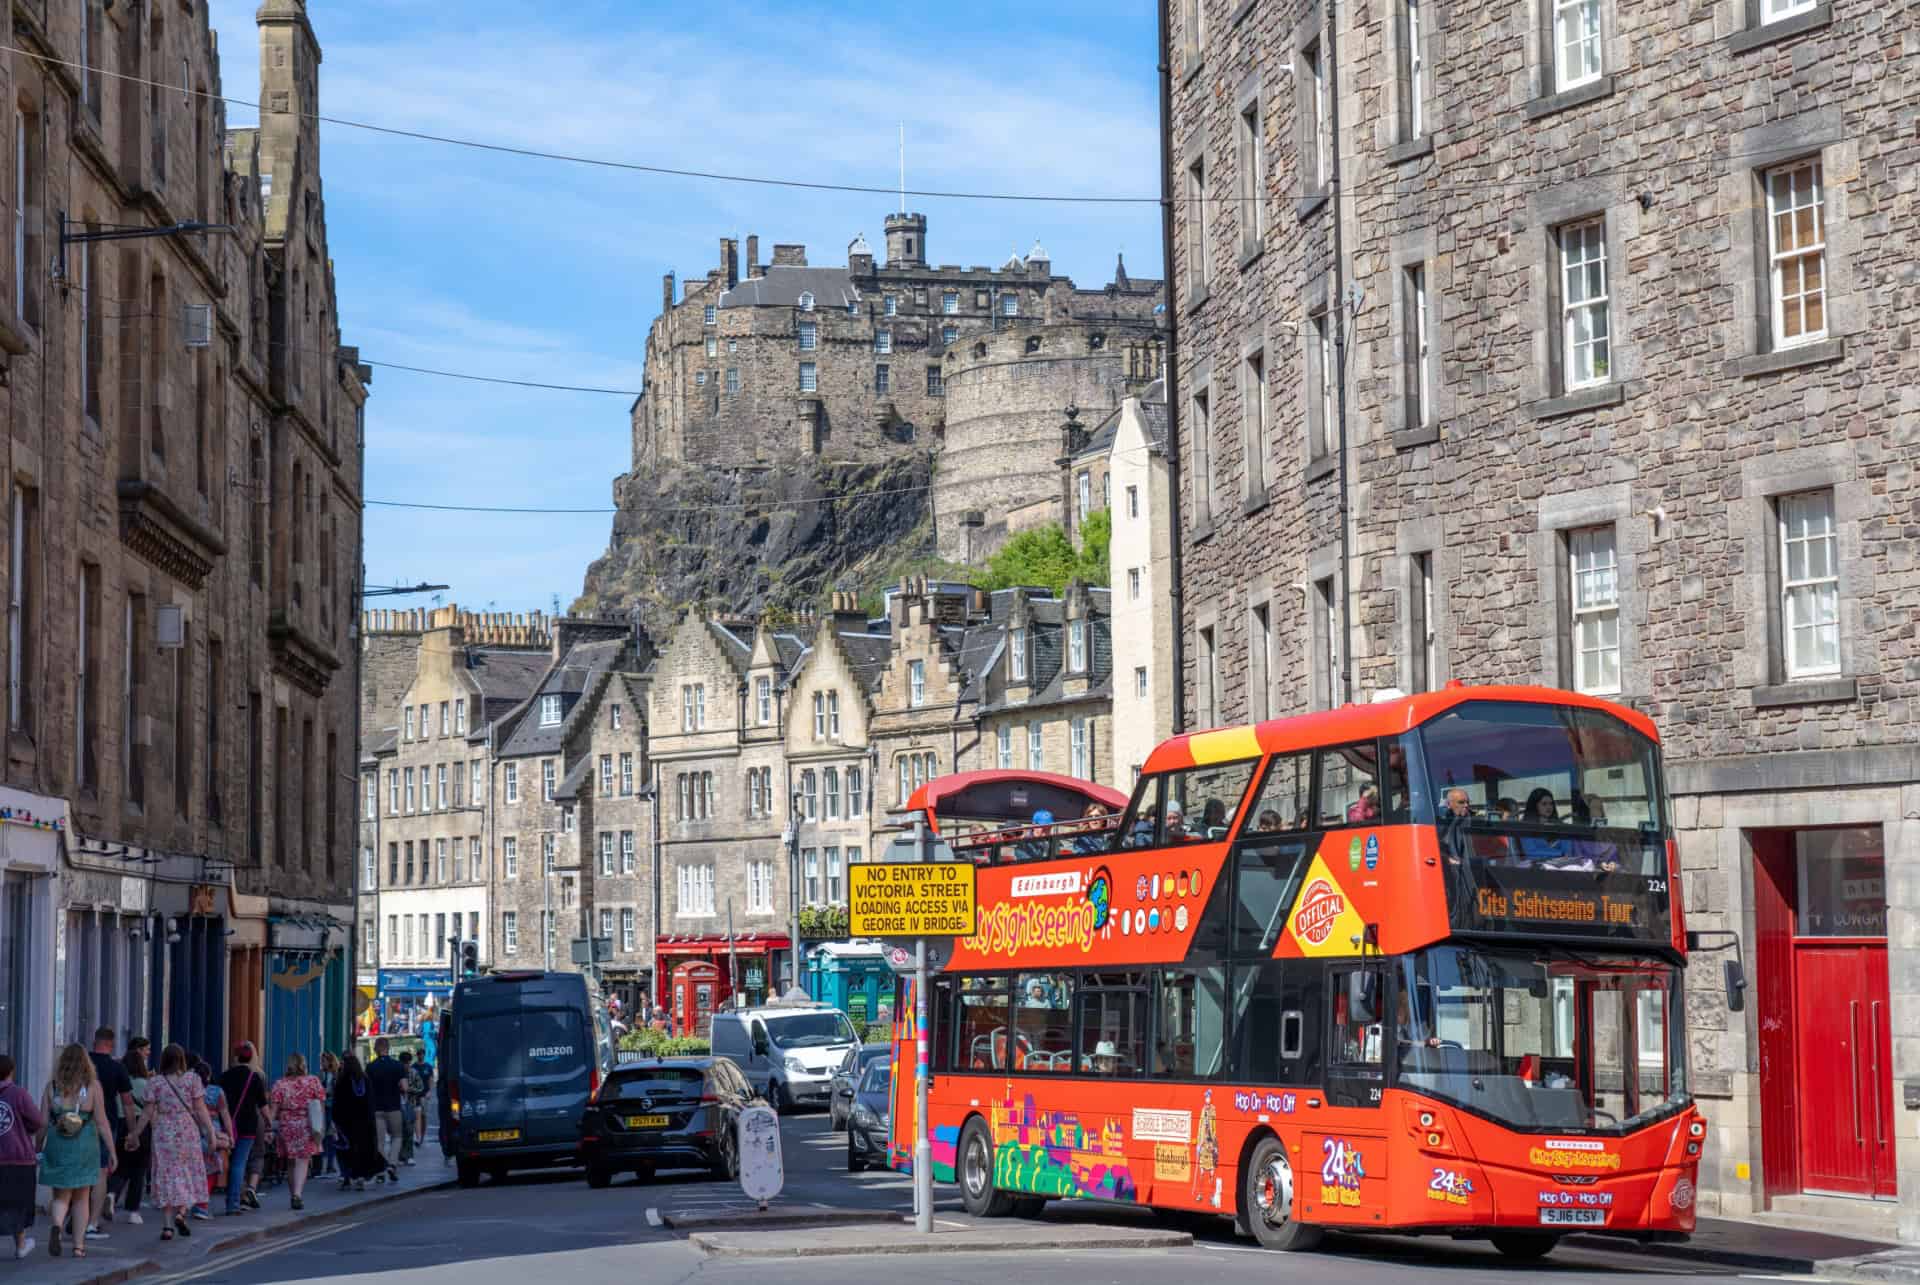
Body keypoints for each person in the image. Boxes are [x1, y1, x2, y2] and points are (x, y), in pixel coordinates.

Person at [127, 1044, 216, 1242]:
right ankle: (181, 1213)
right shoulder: (193, 1079)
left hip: (164, 1132)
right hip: (187, 1131)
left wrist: (135, 1133)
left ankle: (167, 1227)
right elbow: (201, 1109)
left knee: (168, 1176)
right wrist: (211, 1132)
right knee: (188, 1173)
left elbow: (148, 1112)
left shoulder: (156, 1082)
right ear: (182, 1059)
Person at [39, 1042, 116, 1258]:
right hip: (84, 1143)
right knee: (82, 1197)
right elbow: (102, 1122)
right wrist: (112, 1151)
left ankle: (56, 1226)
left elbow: (43, 1122)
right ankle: (79, 1246)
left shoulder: (52, 1087)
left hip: (57, 1142)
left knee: (60, 1194)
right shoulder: (93, 1086)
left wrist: (37, 1145)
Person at [87, 1026, 134, 1237]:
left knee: (77, 1171)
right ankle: (91, 1223)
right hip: (106, 1123)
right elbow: (128, 1103)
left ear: (94, 1041)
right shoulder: (117, 1068)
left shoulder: (82, 1064)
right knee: (100, 1172)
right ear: (111, 1044)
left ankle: (72, 1216)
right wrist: (132, 1131)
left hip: (78, 1124)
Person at [0, 1053, 45, 1260]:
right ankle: (20, 1244)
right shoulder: (19, 1094)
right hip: (19, 1158)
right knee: (19, 1204)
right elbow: (37, 1121)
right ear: (12, 1071)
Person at [267, 1054, 326, 1210]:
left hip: (286, 1125)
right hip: (306, 1124)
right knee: (303, 1160)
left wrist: (268, 1128)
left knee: (291, 1161)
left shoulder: (280, 1084)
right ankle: (297, 1195)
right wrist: (321, 1127)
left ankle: (294, 1193)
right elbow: (320, 1106)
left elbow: (273, 1110)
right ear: (303, 1064)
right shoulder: (313, 1081)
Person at [216, 1043, 265, 1215]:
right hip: (248, 1127)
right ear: (251, 1057)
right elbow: (263, 1106)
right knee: (239, 1163)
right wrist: (268, 1123)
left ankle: (202, 1204)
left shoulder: (224, 1076)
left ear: (235, 1058)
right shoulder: (255, 1077)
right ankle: (233, 1204)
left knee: (226, 1161)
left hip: (226, 1124)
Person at [108, 1046, 151, 1226]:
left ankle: (111, 1194)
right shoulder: (145, 1084)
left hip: (119, 1123)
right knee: (139, 1170)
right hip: (140, 1125)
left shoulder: (119, 1083)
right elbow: (151, 1108)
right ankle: (133, 1211)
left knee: (121, 1166)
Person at [330, 1056, 382, 1192]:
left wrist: (335, 1121)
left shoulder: (342, 1081)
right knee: (362, 1150)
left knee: (345, 1150)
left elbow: (337, 1104)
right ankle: (360, 1177)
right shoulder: (365, 1080)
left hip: (346, 1123)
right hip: (364, 1123)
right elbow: (371, 1102)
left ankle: (346, 1177)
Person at [193, 1057, 234, 1219]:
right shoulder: (217, 1092)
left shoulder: (189, 1092)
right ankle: (201, 1206)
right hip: (213, 1135)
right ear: (208, 1076)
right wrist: (230, 1135)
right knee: (212, 1169)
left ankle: (191, 1204)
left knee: (195, 1169)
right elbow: (225, 1115)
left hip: (193, 1133)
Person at [364, 1039, 407, 1185]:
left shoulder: (370, 1067)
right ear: (388, 1048)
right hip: (393, 1107)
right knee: (397, 1136)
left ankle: (381, 1170)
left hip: (376, 1109)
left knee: (379, 1142)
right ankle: (392, 1164)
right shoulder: (398, 1066)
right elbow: (404, 1087)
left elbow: (366, 1088)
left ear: (376, 1049)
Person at [1516, 788, 1571, 863]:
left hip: (1562, 867)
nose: (1549, 807)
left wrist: (1545, 853)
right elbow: (1531, 854)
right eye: (1544, 804)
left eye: (1551, 803)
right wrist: (1559, 853)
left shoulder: (1561, 826)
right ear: (1534, 805)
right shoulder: (1525, 827)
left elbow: (1567, 852)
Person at [315, 1052, 340, 1178]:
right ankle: (320, 1166)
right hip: (322, 1108)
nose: (322, 1063)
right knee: (322, 1134)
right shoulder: (320, 1074)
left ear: (330, 1061)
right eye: (321, 1061)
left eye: (324, 1061)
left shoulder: (337, 1074)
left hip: (333, 1107)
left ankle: (330, 1164)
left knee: (331, 1135)